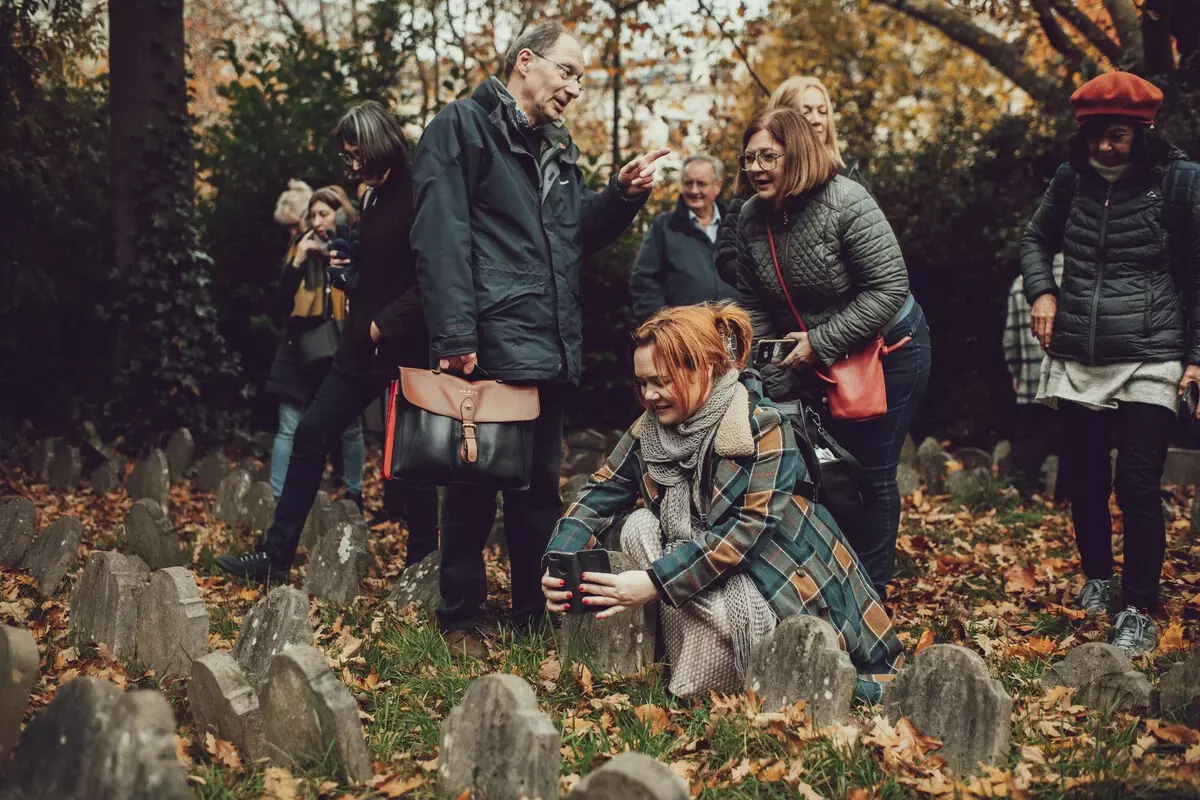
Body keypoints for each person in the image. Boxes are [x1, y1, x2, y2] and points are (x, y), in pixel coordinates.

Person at [410, 19, 669, 656]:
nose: (576, 88)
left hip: (547, 342)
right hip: (488, 339)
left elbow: (572, 235)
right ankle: (462, 618)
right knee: (471, 486)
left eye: (582, 78)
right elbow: (440, 236)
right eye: (569, 72)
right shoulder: (461, 128)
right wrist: (455, 333)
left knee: (538, 489)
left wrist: (622, 196)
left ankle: (532, 612)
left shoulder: (557, 144)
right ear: (527, 62)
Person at [540, 303, 902, 700]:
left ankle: (738, 664)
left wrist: (652, 583)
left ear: (705, 368)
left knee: (805, 670)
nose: (649, 395)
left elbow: (748, 531)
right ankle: (687, 661)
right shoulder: (649, 431)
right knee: (639, 525)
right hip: (692, 571)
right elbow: (599, 491)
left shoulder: (763, 424)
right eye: (642, 383)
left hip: (775, 576)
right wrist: (560, 560)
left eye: (661, 382)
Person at [216, 100, 439, 582]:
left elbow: (435, 277)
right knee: (312, 433)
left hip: (404, 347)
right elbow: (380, 269)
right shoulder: (372, 195)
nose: (352, 164)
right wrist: (350, 275)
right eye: (349, 156)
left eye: (357, 153)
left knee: (414, 462)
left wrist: (387, 321)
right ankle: (274, 559)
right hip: (359, 346)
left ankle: (423, 570)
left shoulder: (421, 190)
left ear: (379, 143)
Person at [1021, 71, 1200, 654]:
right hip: (1081, 353)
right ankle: (1098, 577)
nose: (1105, 146)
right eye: (1097, 134)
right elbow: (1033, 239)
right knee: (1088, 478)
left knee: (1139, 484)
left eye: (1117, 135)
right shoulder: (1070, 180)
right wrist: (1043, 291)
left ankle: (1140, 608)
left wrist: (1196, 359)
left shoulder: (1180, 184)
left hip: (1153, 352)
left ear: (1142, 133)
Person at [732, 108, 930, 605]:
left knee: (873, 468)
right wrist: (770, 371)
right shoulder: (751, 217)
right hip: (815, 357)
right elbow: (754, 304)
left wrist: (819, 342)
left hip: (889, 350)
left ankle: (872, 595)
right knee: (830, 468)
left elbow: (888, 289)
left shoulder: (846, 201)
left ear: (796, 155)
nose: (756, 167)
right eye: (749, 157)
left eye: (768, 157)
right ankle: (839, 580)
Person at [265, 186, 366, 506]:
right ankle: (277, 497)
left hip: (340, 343)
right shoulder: (300, 247)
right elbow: (280, 301)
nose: (317, 222)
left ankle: (354, 493)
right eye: (313, 215)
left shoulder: (352, 245)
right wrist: (298, 260)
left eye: (324, 214)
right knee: (288, 425)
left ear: (339, 214)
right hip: (299, 345)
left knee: (350, 426)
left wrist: (341, 264)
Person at [716, 76, 867, 288]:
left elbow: (878, 255)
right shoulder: (758, 178)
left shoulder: (848, 177)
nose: (816, 120)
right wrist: (777, 285)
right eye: (806, 111)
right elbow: (727, 257)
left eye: (822, 111)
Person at [628, 154, 736, 322]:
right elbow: (644, 281)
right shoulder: (664, 226)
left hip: (734, 334)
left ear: (717, 186)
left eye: (701, 183)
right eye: (688, 183)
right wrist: (662, 327)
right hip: (684, 337)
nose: (693, 190)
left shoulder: (735, 225)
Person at [1002, 254, 1064, 499]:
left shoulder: (1021, 282)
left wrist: (1016, 371)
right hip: (1070, 380)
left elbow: (1011, 338)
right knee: (1072, 438)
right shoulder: (1080, 276)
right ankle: (1065, 497)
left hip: (1032, 378)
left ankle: (1024, 492)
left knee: (1030, 437)